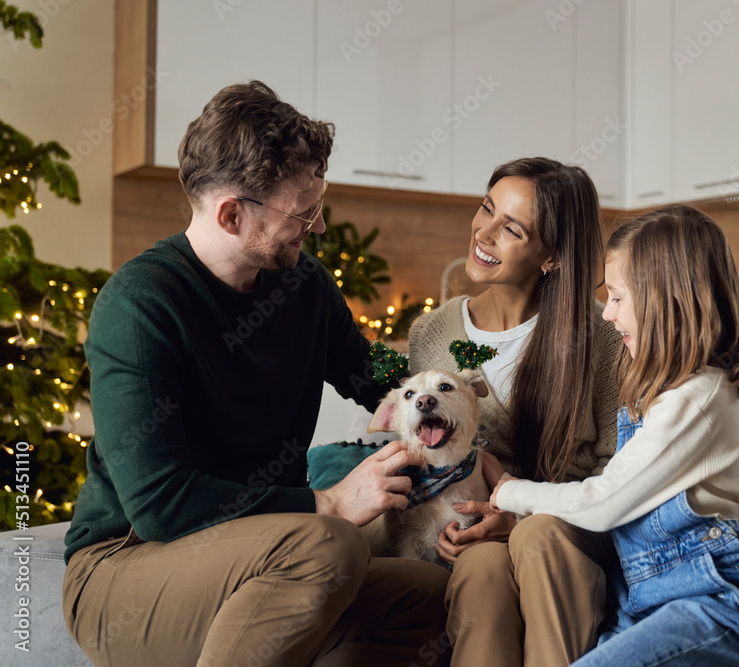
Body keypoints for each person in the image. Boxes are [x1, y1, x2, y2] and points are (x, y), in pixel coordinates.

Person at [61, 81, 450, 667]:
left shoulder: (305, 286)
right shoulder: (139, 306)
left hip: (266, 558)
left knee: (431, 596)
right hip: (128, 567)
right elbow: (161, 504)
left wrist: (462, 422)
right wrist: (328, 504)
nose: (316, 227)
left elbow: (379, 375)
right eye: (304, 210)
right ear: (232, 213)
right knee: (329, 542)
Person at [491, 205, 739, 666]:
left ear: (669, 299)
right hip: (642, 599)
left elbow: (604, 502)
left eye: (619, 298)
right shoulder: (653, 389)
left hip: (712, 602)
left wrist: (510, 492)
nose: (607, 314)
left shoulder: (698, 396)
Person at [406, 157, 622, 667]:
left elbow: (618, 472)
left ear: (551, 255)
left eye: (512, 228)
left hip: (563, 536)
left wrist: (518, 515)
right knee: (481, 568)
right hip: (469, 542)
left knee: (526, 542)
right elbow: (419, 453)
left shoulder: (604, 337)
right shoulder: (432, 333)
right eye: (486, 209)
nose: (485, 232)